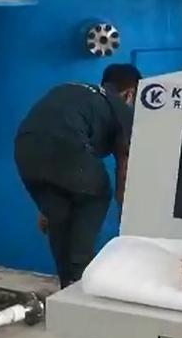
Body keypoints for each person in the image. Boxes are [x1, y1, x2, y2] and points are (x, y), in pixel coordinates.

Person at [14, 64, 142, 288]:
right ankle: (81, 271)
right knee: (97, 193)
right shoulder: (120, 106)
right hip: (67, 152)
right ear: (129, 94)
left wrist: (44, 207)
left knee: (58, 211)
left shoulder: (73, 90)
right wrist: (125, 208)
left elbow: (49, 134)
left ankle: (67, 282)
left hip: (25, 149)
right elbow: (124, 161)